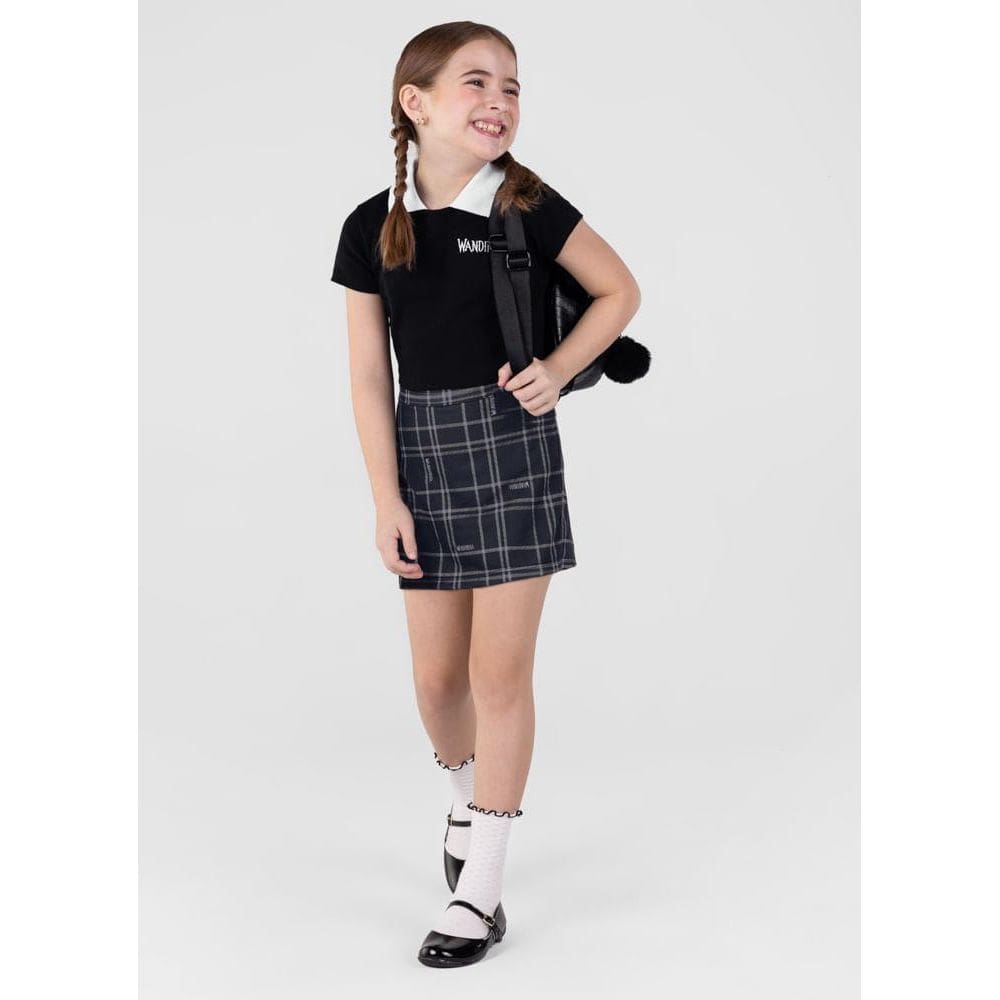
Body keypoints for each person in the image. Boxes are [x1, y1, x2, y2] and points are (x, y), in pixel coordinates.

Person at [330, 21, 641, 968]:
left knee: (499, 677)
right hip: (423, 457)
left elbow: (619, 292)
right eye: (476, 82)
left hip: (512, 450)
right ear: (415, 103)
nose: (499, 100)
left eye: (511, 86)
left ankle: (482, 890)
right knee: (437, 682)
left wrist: (558, 368)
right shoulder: (368, 227)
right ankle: (465, 802)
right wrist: (386, 497)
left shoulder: (526, 203)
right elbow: (368, 377)